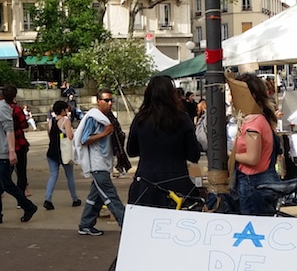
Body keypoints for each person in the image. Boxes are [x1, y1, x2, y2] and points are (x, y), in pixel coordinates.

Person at [127, 76, 201, 208]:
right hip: (177, 183)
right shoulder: (182, 119)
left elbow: (131, 150)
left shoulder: (140, 119)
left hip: (145, 183)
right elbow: (193, 155)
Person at [0, 80, 38, 225]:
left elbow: (9, 129)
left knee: (6, 184)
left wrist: (11, 151)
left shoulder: (1, 108)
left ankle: (28, 206)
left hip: (1, 153)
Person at [230, 73, 283, 215]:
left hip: (254, 184)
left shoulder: (253, 122)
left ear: (250, 96)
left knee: (255, 229)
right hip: (258, 182)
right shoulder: (258, 118)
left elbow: (252, 158)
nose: (231, 99)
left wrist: (230, 154)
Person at [75, 88, 125, 235]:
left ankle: (86, 224)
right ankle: (125, 222)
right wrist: (104, 133)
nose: (110, 103)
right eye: (106, 100)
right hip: (97, 164)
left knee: (95, 197)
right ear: (98, 102)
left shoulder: (109, 118)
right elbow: (84, 139)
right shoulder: (94, 118)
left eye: (111, 100)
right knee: (110, 196)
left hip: (105, 161)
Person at [43, 101, 81, 210]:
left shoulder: (50, 122)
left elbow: (50, 137)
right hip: (64, 153)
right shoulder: (65, 121)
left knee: (53, 175)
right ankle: (74, 199)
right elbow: (70, 136)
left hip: (52, 152)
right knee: (69, 176)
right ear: (63, 110)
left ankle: (48, 198)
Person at [4, 85, 31, 196]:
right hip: (19, 143)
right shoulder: (17, 109)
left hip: (5, 143)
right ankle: (21, 196)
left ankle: (1, 190)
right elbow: (25, 127)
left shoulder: (2, 109)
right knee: (21, 172)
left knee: (6, 171)